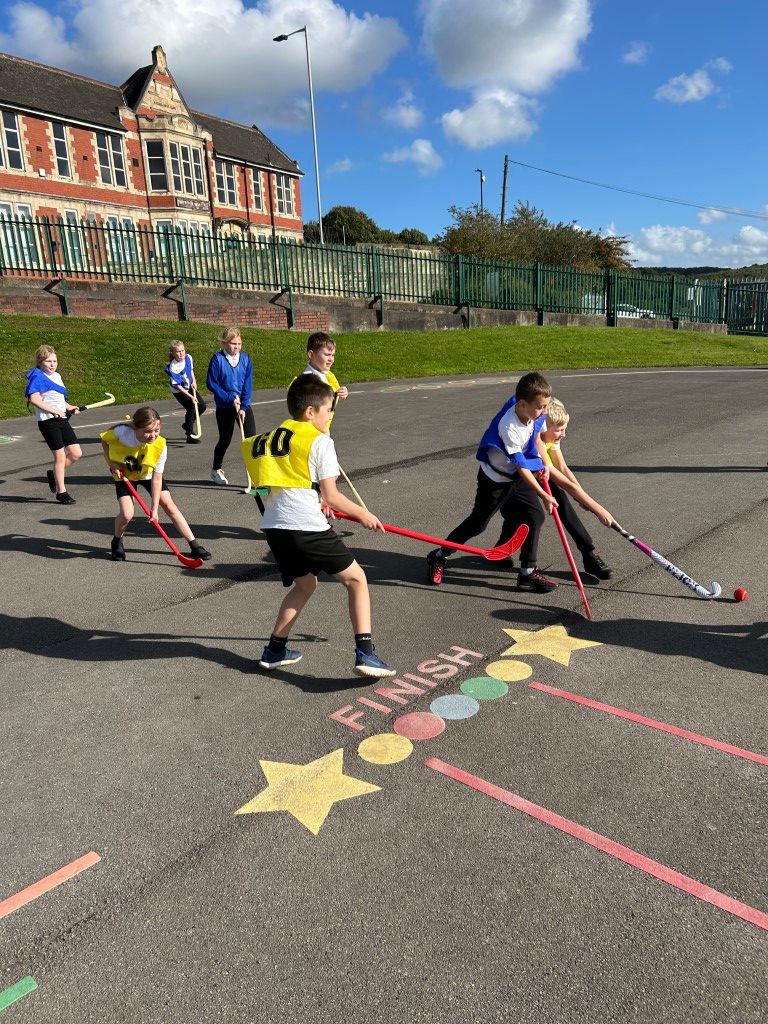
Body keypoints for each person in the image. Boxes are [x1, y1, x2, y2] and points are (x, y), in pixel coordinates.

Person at [244, 374, 395, 678]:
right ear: (310, 411)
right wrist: (364, 514)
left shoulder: (260, 441)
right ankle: (366, 654)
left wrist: (314, 501)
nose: (330, 416)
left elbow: (263, 489)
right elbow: (334, 495)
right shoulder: (319, 440)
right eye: (328, 410)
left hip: (274, 527)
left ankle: (275, 650)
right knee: (356, 580)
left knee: (305, 584)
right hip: (305, 527)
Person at [426, 372, 613, 592]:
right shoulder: (509, 427)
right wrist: (543, 494)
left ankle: (527, 574)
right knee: (478, 524)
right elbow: (522, 468)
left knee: (534, 516)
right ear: (522, 404)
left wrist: (542, 465)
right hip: (495, 480)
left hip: (516, 476)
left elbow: (535, 440)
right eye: (540, 407)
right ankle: (439, 555)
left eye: (545, 406)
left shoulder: (535, 414)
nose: (545, 412)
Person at [100, 407, 211, 563]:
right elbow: (104, 440)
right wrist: (112, 464)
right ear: (136, 428)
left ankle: (194, 545)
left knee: (169, 505)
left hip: (148, 474)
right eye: (147, 431)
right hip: (126, 475)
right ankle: (117, 541)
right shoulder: (122, 433)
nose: (153, 435)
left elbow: (157, 478)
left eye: (156, 430)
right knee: (127, 514)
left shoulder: (160, 444)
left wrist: (154, 509)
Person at [539, 398, 612, 580]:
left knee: (561, 503)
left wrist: (581, 497)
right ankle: (455, 545)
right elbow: (560, 478)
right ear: (543, 426)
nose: (563, 434)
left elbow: (563, 468)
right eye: (559, 430)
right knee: (483, 520)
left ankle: (589, 555)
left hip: (539, 474)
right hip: (512, 476)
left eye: (565, 429)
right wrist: (597, 508)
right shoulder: (536, 440)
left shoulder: (551, 435)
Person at [24, 344, 82, 505]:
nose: (52, 364)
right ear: (40, 362)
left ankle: (54, 474)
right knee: (60, 456)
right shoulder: (38, 377)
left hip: (61, 420)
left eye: (54, 361)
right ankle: (61, 492)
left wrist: (70, 407)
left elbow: (59, 399)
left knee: (76, 453)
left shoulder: (57, 376)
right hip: (48, 422)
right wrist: (53, 411)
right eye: (48, 361)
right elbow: (34, 399)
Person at [206, 327, 254, 484]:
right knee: (225, 439)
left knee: (251, 439)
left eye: (239, 343)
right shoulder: (217, 359)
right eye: (233, 343)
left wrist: (244, 406)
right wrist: (229, 398)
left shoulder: (246, 359)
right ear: (225, 343)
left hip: (242, 405)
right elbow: (212, 383)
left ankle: (255, 474)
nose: (237, 347)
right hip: (225, 406)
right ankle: (216, 470)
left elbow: (247, 384)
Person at [165, 340, 206, 443]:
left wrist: (194, 381)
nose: (181, 353)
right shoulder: (173, 367)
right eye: (178, 352)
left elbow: (190, 370)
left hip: (189, 385)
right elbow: (178, 386)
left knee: (202, 406)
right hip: (179, 391)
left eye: (183, 350)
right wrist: (191, 397)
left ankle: (187, 425)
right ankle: (190, 435)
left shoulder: (188, 357)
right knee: (191, 407)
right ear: (173, 353)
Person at [301, 332, 349, 410]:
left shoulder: (327, 375)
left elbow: (332, 399)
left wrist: (340, 395)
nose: (331, 359)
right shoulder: (307, 382)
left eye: (333, 355)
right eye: (327, 355)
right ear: (311, 355)